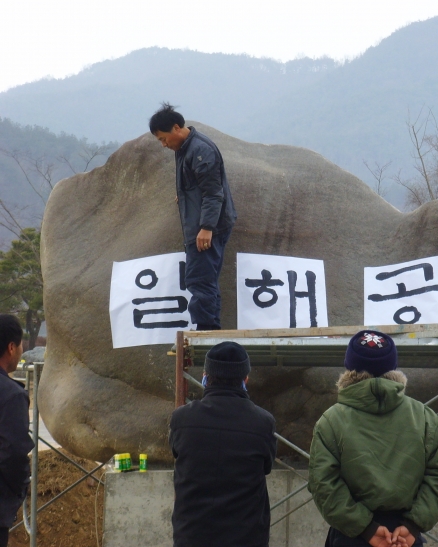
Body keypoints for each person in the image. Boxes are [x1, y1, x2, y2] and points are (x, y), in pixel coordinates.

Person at [308, 330, 438, 547]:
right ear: (393, 368)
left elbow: (322, 484)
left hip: (351, 537)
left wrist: (367, 529)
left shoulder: (331, 420)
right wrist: (412, 526)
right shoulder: (424, 417)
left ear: (349, 368)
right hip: (403, 538)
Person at [169, 341, 276, 547]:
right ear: (245, 379)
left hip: (192, 536)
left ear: (205, 376)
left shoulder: (182, 419)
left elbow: (176, 453)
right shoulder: (262, 422)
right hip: (246, 537)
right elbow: (266, 467)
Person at [149, 103, 237, 331]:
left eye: (163, 139)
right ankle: (210, 328)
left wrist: (206, 227)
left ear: (176, 128)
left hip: (208, 227)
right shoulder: (185, 148)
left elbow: (213, 192)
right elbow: (196, 185)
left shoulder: (199, 150)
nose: (163, 144)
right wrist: (185, 197)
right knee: (205, 280)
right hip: (201, 223)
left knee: (199, 280)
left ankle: (206, 330)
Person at [0, 315, 34, 547]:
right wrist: (20, 488)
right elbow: (13, 453)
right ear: (11, 348)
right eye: (21, 344)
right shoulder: (11, 395)